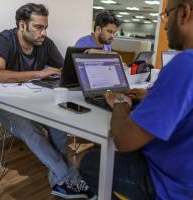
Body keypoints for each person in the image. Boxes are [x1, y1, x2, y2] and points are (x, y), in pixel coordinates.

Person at [79, 0, 193, 199]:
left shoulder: (185, 64)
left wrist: (120, 102)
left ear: (184, 13)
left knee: (87, 161)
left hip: (167, 184)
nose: (165, 24)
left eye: (167, 14)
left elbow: (124, 140)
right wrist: (152, 96)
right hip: (185, 176)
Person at [0, 3, 96, 200]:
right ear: (22, 25)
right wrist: (39, 73)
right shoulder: (3, 40)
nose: (43, 32)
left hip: (30, 100)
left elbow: (63, 67)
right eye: (38, 27)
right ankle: (70, 178)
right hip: (1, 103)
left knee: (57, 124)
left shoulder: (44, 43)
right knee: (30, 128)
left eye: (45, 27)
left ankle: (59, 182)